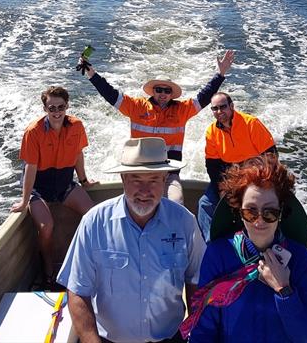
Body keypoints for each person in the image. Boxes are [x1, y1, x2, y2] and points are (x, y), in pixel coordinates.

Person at [57, 137, 206, 343]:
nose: (145, 191)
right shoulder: (94, 222)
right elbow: (77, 291)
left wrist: (197, 334)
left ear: (164, 180)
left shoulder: (185, 222)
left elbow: (196, 283)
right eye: (136, 179)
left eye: (153, 180)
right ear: (123, 178)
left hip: (170, 338)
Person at [183, 156, 307, 343]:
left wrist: (284, 290)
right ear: (239, 212)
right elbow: (204, 330)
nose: (259, 221)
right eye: (250, 211)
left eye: (270, 212)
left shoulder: (301, 260)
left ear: (280, 212)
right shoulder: (219, 254)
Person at [80, 50, 235, 203]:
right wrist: (91, 74)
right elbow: (110, 94)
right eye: (158, 90)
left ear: (171, 94)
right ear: (153, 91)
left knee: (177, 202)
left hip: (169, 172)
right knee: (134, 203)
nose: (162, 93)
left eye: (167, 91)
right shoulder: (136, 106)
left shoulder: (182, 110)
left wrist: (220, 74)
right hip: (138, 171)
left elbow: (204, 96)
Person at [11, 85, 98, 283]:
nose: (57, 112)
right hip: (39, 188)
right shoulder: (33, 132)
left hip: (65, 184)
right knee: (47, 227)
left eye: (61, 107)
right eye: (52, 108)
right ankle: (49, 272)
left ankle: (89, 264)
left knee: (94, 216)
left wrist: (84, 181)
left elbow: (78, 154)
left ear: (67, 106)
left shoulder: (76, 126)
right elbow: (30, 168)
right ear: (45, 109)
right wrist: (25, 201)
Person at [198, 92, 277, 241]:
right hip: (230, 175)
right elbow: (213, 167)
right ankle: (212, 246)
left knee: (255, 205)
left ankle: (264, 240)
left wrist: (261, 183)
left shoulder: (251, 123)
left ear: (232, 106)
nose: (219, 112)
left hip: (256, 174)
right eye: (215, 109)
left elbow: (271, 156)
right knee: (205, 203)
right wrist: (221, 189)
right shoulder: (211, 131)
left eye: (223, 107)